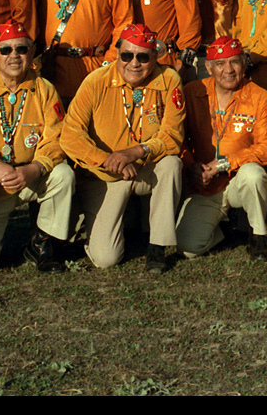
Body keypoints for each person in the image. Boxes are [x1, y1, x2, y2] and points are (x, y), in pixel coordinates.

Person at [60, 23, 185, 272]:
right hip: (107, 174)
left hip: (145, 166)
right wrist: (108, 160)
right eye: (127, 55)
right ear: (117, 54)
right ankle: (100, 225)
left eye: (143, 57)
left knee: (172, 163)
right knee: (106, 259)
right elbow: (70, 136)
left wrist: (136, 152)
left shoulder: (169, 78)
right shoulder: (95, 81)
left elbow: (173, 135)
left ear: (155, 57)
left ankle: (157, 246)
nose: (134, 63)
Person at [0, 20, 75, 274]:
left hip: (31, 177)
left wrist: (35, 169)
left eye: (21, 49)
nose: (14, 56)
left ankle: (42, 244)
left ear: (31, 53)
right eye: (5, 50)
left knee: (63, 175)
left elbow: (56, 138)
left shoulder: (44, 89)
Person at [177, 36, 267, 260]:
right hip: (205, 184)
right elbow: (178, 140)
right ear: (208, 67)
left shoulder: (259, 96)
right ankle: (221, 231)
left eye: (235, 62)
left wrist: (225, 163)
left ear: (244, 64)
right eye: (220, 64)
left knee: (253, 173)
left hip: (238, 179)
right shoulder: (192, 92)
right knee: (188, 248)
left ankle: (258, 237)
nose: (228, 70)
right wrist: (191, 166)